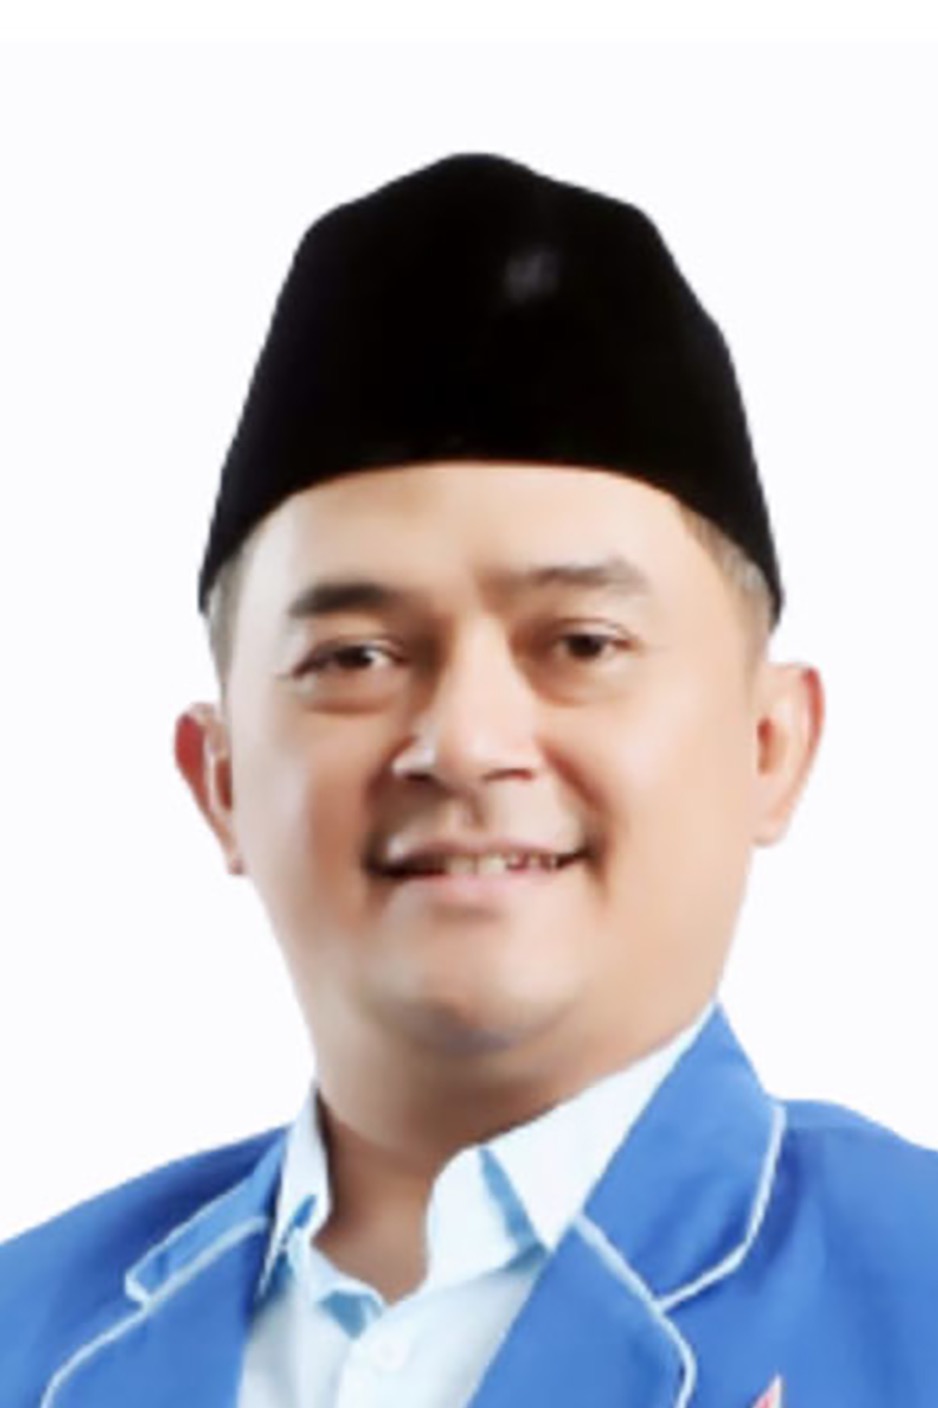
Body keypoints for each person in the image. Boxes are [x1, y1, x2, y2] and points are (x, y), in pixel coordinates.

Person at [2, 153, 936, 1408]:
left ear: (768, 744)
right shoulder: (25, 1332)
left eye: (581, 644)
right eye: (354, 657)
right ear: (218, 779)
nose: (463, 740)